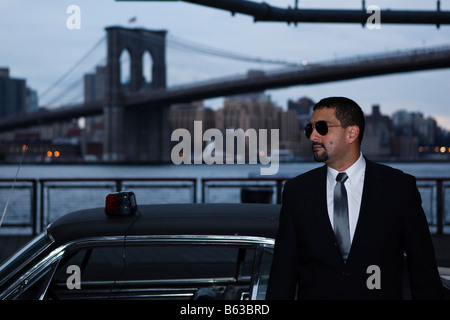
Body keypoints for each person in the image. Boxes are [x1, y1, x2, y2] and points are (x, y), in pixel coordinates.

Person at [266, 97, 444, 300]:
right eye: (310, 129)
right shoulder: (297, 191)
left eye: (322, 127)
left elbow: (424, 270)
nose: (313, 136)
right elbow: (283, 273)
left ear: (352, 133)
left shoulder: (399, 187)